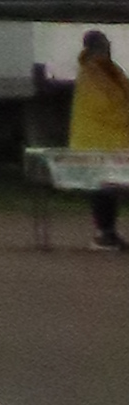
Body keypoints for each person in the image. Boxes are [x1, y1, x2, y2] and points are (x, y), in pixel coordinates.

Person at [67, 26, 129, 243]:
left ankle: (107, 232)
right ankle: (104, 234)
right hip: (97, 144)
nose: (108, 48)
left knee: (108, 190)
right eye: (104, 44)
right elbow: (104, 107)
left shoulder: (110, 70)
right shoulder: (91, 73)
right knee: (103, 190)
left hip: (113, 143)